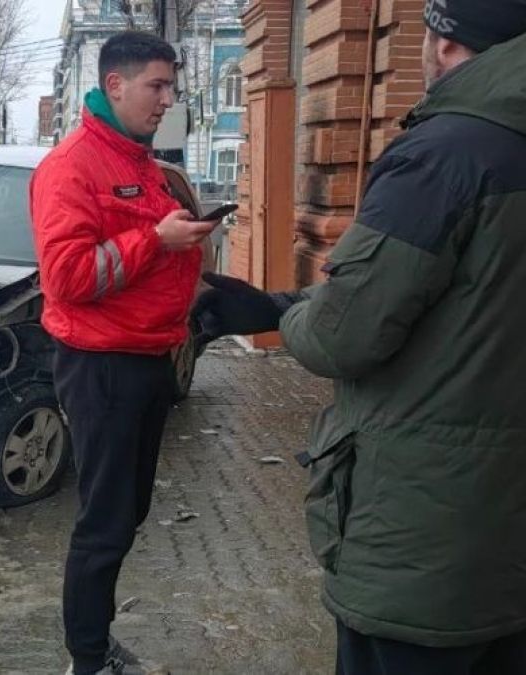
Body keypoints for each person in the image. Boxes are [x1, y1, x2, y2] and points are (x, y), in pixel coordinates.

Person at [191, 3, 526, 673]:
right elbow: (457, 304)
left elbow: (346, 336)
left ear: (444, 41)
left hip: (426, 542)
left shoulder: (444, 154)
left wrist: (278, 316)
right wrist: (284, 303)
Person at [29, 31, 221, 675]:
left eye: (171, 86)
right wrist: (158, 243)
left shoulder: (142, 162)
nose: (168, 100)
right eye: (156, 86)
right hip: (101, 367)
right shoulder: (73, 166)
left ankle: (95, 642)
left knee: (129, 510)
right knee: (104, 524)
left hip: (148, 362)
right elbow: (68, 279)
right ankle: (87, 659)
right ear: (116, 85)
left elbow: (158, 250)